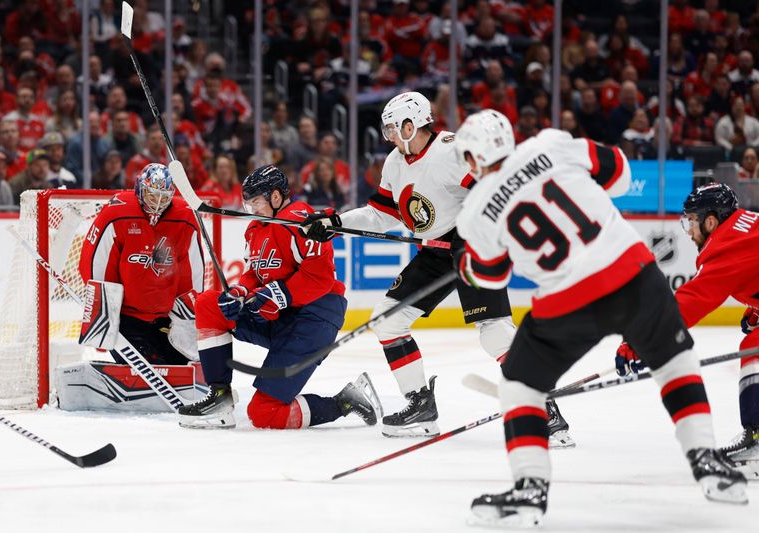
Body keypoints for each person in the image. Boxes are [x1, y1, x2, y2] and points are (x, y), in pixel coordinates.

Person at [451, 110, 746, 526]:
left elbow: (489, 276)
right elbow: (620, 175)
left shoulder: (476, 210)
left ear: (476, 157)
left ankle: (529, 490)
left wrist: (466, 265)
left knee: (520, 385)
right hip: (633, 275)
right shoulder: (550, 145)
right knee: (674, 363)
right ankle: (706, 460)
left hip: (566, 299)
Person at [299, 92, 528, 441]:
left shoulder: (451, 151)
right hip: (437, 251)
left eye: (392, 128)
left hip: (473, 244)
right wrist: (334, 223)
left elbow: (494, 191)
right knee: (388, 318)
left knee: (493, 330)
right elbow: (380, 214)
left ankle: (542, 409)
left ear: (411, 124)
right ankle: (420, 406)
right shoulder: (394, 162)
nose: (388, 135)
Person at [178, 165, 382, 430]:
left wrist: (280, 293)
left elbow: (320, 278)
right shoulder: (254, 229)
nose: (252, 210)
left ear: (276, 197)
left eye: (257, 203)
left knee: (265, 413)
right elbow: (254, 273)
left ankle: (346, 401)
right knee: (209, 304)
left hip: (314, 320)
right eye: (248, 204)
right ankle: (219, 394)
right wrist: (241, 292)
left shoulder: (301, 220)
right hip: (279, 315)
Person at [615, 182, 759, 480]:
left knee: (755, 350)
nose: (688, 229)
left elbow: (690, 301)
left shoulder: (727, 246)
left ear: (710, 220)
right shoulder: (747, 224)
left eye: (692, 221)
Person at [79, 163, 204, 367]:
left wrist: (189, 318)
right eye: (153, 195)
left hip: (166, 319)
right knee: (152, 373)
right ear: (139, 189)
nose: (158, 203)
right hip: (127, 321)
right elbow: (96, 264)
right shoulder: (117, 213)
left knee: (182, 367)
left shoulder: (185, 219)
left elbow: (193, 274)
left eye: (164, 197)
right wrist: (102, 317)